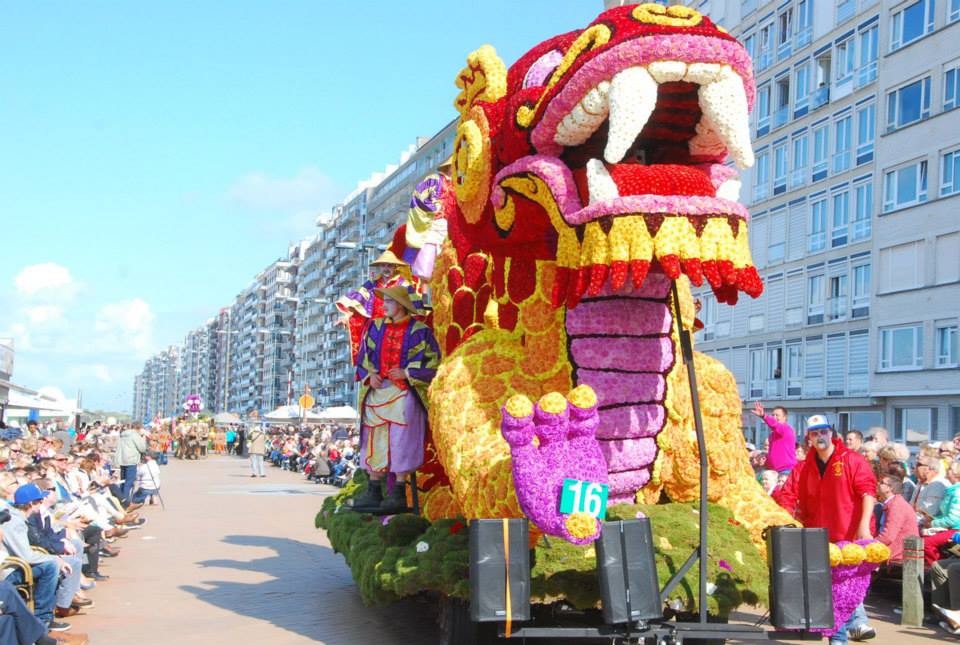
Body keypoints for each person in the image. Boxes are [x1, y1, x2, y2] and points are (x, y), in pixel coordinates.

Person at [775, 415, 877, 644]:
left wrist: (864, 526)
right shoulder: (803, 467)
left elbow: (868, 492)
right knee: (829, 594)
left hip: (850, 537)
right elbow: (787, 497)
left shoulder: (852, 460)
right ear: (808, 438)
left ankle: (848, 631)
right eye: (814, 433)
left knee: (846, 592)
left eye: (823, 431)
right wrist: (786, 522)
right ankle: (844, 633)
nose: (820, 436)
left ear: (831, 433)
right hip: (817, 538)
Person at [351, 286, 441, 513]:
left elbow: (434, 363)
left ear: (400, 305)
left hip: (404, 392)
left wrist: (408, 373)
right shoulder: (374, 327)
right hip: (378, 391)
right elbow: (363, 357)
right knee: (374, 438)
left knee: (402, 439)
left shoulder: (420, 331)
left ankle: (399, 490)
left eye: (389, 301)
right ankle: (374, 488)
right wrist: (370, 375)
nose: (385, 305)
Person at [875, 474, 920, 564]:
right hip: (900, 553)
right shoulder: (894, 502)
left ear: (889, 488)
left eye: (882, 483)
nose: (878, 484)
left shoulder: (896, 505)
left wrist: (868, 543)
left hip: (901, 557)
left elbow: (888, 537)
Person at [751, 402, 796, 474]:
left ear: (785, 417)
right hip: (774, 471)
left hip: (786, 470)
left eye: (777, 415)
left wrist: (763, 416)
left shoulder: (786, 429)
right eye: (773, 415)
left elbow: (774, 424)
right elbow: (774, 454)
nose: (774, 417)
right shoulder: (772, 435)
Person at [113, 426, 146, 504]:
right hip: (131, 460)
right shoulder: (135, 435)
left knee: (123, 481)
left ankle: (121, 498)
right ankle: (125, 501)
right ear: (138, 428)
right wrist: (142, 439)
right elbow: (142, 448)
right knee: (129, 482)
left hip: (122, 460)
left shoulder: (123, 434)